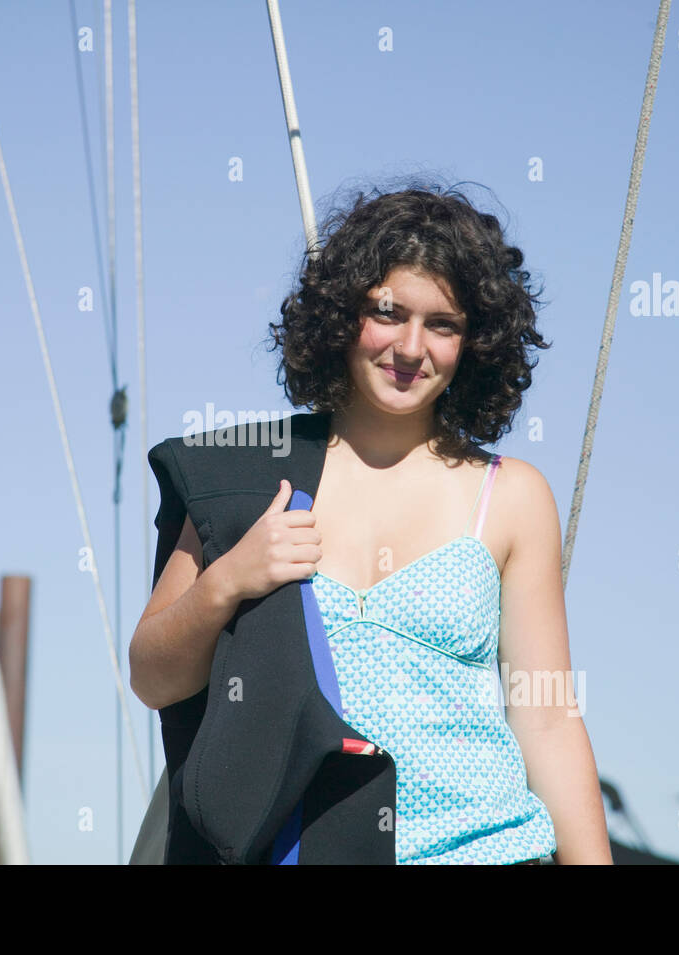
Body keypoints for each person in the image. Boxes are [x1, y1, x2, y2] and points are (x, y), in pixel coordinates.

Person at [130, 181, 612, 864]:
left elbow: (548, 717)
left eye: (442, 324)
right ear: (342, 316)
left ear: (474, 342)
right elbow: (152, 676)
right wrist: (228, 580)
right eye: (388, 313)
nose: (411, 346)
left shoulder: (511, 496)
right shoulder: (244, 476)